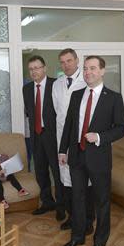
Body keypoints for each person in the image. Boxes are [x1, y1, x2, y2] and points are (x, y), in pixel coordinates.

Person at [59, 55, 124, 246]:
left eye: (93, 68)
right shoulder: (77, 95)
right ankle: (78, 236)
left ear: (102, 71)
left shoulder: (114, 98)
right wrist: (63, 150)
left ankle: (100, 241)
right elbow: (69, 126)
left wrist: (99, 136)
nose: (89, 72)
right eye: (86, 68)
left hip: (99, 158)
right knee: (77, 199)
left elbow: (122, 128)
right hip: (77, 157)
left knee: (102, 202)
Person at [52, 48, 95, 231]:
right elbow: (59, 112)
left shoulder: (86, 82)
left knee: (85, 183)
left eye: (69, 61)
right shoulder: (57, 84)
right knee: (66, 181)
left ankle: (88, 220)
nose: (66, 65)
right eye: (62, 62)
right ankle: (73, 217)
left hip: (81, 140)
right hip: (62, 139)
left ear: (77, 61)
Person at [23, 55, 64, 221]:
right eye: (31, 69)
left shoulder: (56, 84)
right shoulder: (26, 89)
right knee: (40, 172)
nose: (34, 72)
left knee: (57, 172)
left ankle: (62, 207)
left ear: (44, 68)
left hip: (53, 136)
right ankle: (47, 202)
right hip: (37, 136)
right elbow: (30, 113)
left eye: (37, 68)